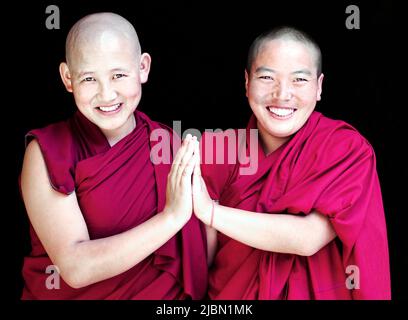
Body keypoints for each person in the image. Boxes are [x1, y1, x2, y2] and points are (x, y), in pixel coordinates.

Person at [191, 26, 391, 299]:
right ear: (247, 82)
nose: (282, 94)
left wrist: (212, 212)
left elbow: (308, 238)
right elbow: (203, 261)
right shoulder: (217, 151)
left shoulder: (345, 149)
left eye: (299, 80)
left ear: (319, 87)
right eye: (266, 77)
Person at [19, 12, 207, 299]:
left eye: (118, 75)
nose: (107, 95)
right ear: (68, 78)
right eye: (89, 79)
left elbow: (202, 243)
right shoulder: (47, 151)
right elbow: (75, 267)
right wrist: (171, 218)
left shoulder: (168, 143)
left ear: (143, 68)